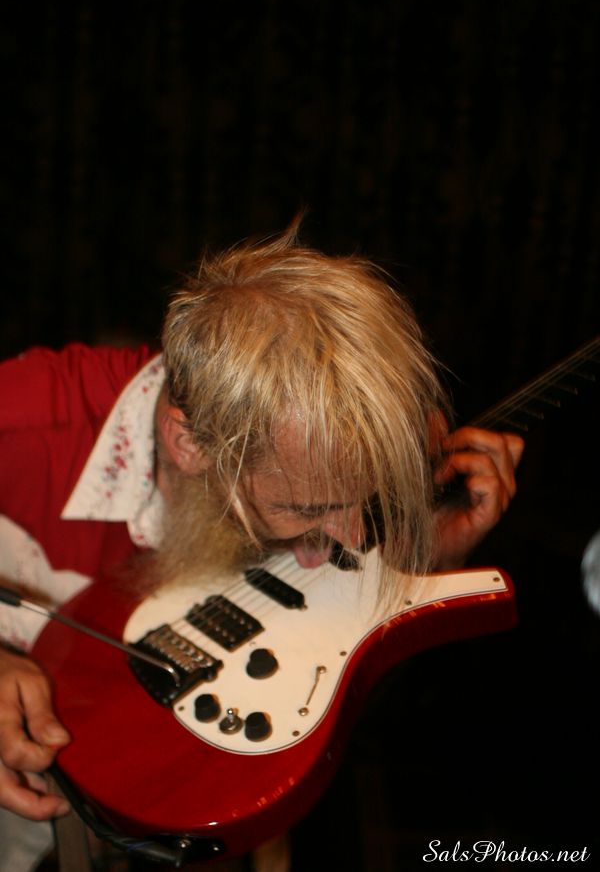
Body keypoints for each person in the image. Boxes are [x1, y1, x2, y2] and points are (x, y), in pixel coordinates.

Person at [0, 222, 523, 867]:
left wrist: (420, 562)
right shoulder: (21, 428)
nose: (353, 536)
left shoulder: (317, 475)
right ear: (189, 444)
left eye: (365, 500)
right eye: (306, 509)